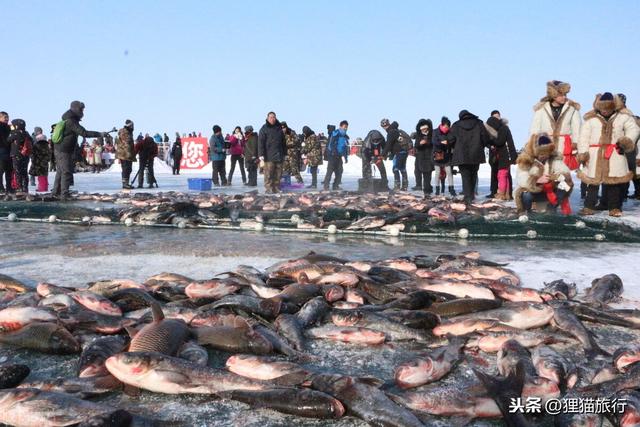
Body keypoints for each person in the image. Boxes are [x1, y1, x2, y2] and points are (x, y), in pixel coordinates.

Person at [577, 93, 640, 217]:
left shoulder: (623, 118)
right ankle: (588, 207)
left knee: (614, 184)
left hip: (615, 153)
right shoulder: (592, 120)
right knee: (593, 183)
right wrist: (583, 153)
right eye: (603, 108)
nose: (605, 111)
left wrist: (626, 141)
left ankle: (614, 208)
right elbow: (583, 137)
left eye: (608, 108)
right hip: (594, 154)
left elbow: (634, 129)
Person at [529, 80, 582, 197]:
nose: (564, 97)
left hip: (564, 146)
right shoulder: (541, 109)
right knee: (545, 171)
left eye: (565, 94)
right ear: (553, 95)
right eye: (561, 94)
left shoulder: (571, 108)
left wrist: (575, 144)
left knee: (562, 174)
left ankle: (561, 200)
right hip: (545, 145)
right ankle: (541, 198)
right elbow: (534, 128)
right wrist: (533, 146)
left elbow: (577, 128)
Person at [52, 101, 104, 199]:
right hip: (64, 150)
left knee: (61, 171)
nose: (83, 112)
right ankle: (64, 194)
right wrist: (99, 134)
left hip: (61, 149)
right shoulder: (71, 121)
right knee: (66, 171)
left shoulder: (69, 119)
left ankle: (56, 192)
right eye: (81, 109)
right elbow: (84, 133)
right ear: (76, 109)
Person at [515, 133, 573, 214]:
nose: (544, 156)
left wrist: (556, 177)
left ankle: (552, 206)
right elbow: (521, 178)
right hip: (534, 191)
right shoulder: (526, 160)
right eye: (541, 153)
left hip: (549, 191)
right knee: (525, 194)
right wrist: (537, 180)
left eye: (546, 153)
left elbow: (566, 174)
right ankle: (526, 211)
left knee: (566, 186)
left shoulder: (554, 159)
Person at [450, 110, 490, 203]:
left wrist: (455, 148)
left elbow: (451, 139)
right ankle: (471, 195)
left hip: (461, 155)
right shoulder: (479, 123)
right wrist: (480, 146)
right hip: (476, 153)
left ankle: (468, 196)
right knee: (474, 174)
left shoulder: (456, 125)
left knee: (465, 175)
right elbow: (485, 137)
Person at [485, 114, 517, 200]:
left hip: (506, 155)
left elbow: (500, 141)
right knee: (505, 175)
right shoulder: (503, 128)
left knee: (501, 174)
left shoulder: (503, 129)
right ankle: (507, 194)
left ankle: (502, 194)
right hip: (507, 155)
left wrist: (491, 140)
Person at [258, 112, 286, 193]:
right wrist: (261, 155)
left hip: (279, 155)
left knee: (278, 174)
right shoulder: (264, 128)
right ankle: (269, 188)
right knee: (268, 174)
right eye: (270, 117)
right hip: (268, 156)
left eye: (274, 117)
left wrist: (285, 153)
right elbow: (260, 143)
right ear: (267, 118)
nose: (272, 119)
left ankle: (276, 188)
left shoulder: (279, 128)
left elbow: (283, 142)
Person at [381, 119, 412, 191]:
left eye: (385, 125)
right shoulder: (396, 130)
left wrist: (383, 154)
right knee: (402, 168)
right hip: (404, 151)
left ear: (387, 124)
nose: (385, 127)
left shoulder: (391, 132)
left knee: (395, 168)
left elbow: (388, 145)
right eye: (383, 126)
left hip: (398, 152)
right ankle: (404, 186)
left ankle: (397, 187)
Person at [431, 117, 456, 196]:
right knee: (437, 173)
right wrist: (442, 143)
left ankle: (451, 189)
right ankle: (437, 189)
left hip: (447, 156)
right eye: (446, 126)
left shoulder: (450, 132)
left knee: (449, 172)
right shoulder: (435, 131)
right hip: (437, 155)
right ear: (442, 125)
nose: (447, 128)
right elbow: (434, 141)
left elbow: (453, 139)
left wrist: (447, 142)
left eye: (448, 127)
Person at [323, 120, 349, 191]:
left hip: (339, 156)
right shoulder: (336, 133)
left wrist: (346, 157)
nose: (345, 128)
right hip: (333, 156)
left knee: (340, 171)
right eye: (344, 127)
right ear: (340, 126)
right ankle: (326, 186)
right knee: (330, 171)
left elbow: (345, 147)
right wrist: (334, 152)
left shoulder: (345, 136)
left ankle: (335, 185)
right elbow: (331, 144)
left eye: (347, 127)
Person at [8, 119, 32, 193]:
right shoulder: (26, 133)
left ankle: (19, 188)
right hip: (25, 155)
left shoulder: (14, 133)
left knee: (17, 171)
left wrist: (11, 131)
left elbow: (8, 140)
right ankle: (25, 188)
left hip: (16, 155)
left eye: (12, 125)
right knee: (24, 172)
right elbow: (31, 141)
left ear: (16, 126)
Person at [414, 118, 434, 195]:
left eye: (425, 129)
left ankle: (427, 190)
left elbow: (434, 143)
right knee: (420, 172)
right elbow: (416, 145)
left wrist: (427, 142)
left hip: (429, 157)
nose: (423, 130)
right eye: (422, 129)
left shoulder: (431, 134)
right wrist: (420, 144)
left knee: (428, 174)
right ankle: (424, 187)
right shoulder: (419, 135)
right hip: (421, 157)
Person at [116, 120, 135, 189]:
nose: (133, 127)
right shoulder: (125, 132)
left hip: (128, 154)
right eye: (132, 125)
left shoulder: (129, 132)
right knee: (126, 168)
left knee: (128, 169)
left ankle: (126, 183)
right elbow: (126, 144)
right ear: (130, 125)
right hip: (124, 154)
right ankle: (125, 183)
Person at [0, 112, 12, 193]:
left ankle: (8, 187)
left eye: (7, 117)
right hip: (2, 149)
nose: (7, 119)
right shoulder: (2, 126)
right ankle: (2, 188)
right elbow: (5, 139)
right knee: (2, 170)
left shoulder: (8, 126)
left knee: (8, 170)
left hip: (8, 150)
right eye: (5, 117)